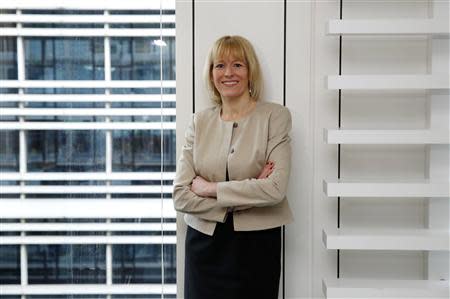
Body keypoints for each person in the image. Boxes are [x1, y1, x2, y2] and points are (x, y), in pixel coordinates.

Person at [172, 35, 293, 299]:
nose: (228, 73)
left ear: (250, 71)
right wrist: (248, 194)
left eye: (238, 65)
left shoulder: (275, 116)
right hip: (204, 247)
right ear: (211, 73)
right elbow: (180, 195)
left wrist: (209, 188)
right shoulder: (199, 122)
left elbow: (275, 190)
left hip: (258, 246)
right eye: (220, 65)